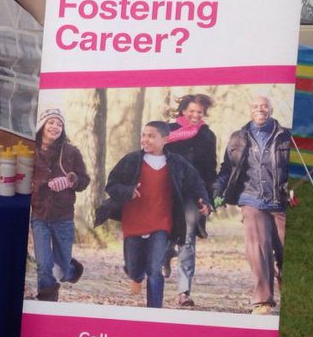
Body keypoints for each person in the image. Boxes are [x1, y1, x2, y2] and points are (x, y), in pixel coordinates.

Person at [96, 122, 211, 309]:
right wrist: (128, 191)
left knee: (154, 269)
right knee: (133, 267)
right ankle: (136, 277)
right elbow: (112, 185)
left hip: (162, 222)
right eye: (144, 135)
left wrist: (205, 201)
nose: (145, 139)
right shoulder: (132, 160)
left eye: (151, 136)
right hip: (134, 221)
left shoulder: (176, 163)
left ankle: (154, 311)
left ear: (165, 139)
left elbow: (196, 182)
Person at [212, 95, 291, 315]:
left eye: (264, 106)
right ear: (250, 110)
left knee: (284, 247)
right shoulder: (238, 137)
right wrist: (217, 190)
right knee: (258, 247)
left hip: (280, 199)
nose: (260, 109)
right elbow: (227, 168)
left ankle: (283, 275)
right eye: (255, 106)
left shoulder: (286, 136)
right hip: (251, 198)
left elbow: (297, 168)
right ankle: (263, 300)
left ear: (271, 109)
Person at [163, 94, 219, 307]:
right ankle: (167, 254)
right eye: (192, 111)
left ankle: (183, 291)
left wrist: (208, 200)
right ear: (183, 111)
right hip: (167, 191)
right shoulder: (167, 130)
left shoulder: (207, 135)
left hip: (192, 194)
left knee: (187, 239)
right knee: (165, 235)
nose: (196, 115)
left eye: (200, 112)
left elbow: (210, 170)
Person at [30, 108, 90, 301]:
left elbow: (84, 180)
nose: (55, 127)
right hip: (39, 215)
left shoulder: (71, 151)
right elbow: (23, 180)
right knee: (44, 265)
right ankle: (46, 302)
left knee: (62, 269)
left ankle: (71, 270)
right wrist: (43, 185)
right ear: (42, 125)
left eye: (59, 124)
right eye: (51, 122)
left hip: (63, 217)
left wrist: (72, 180)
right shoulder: (30, 150)